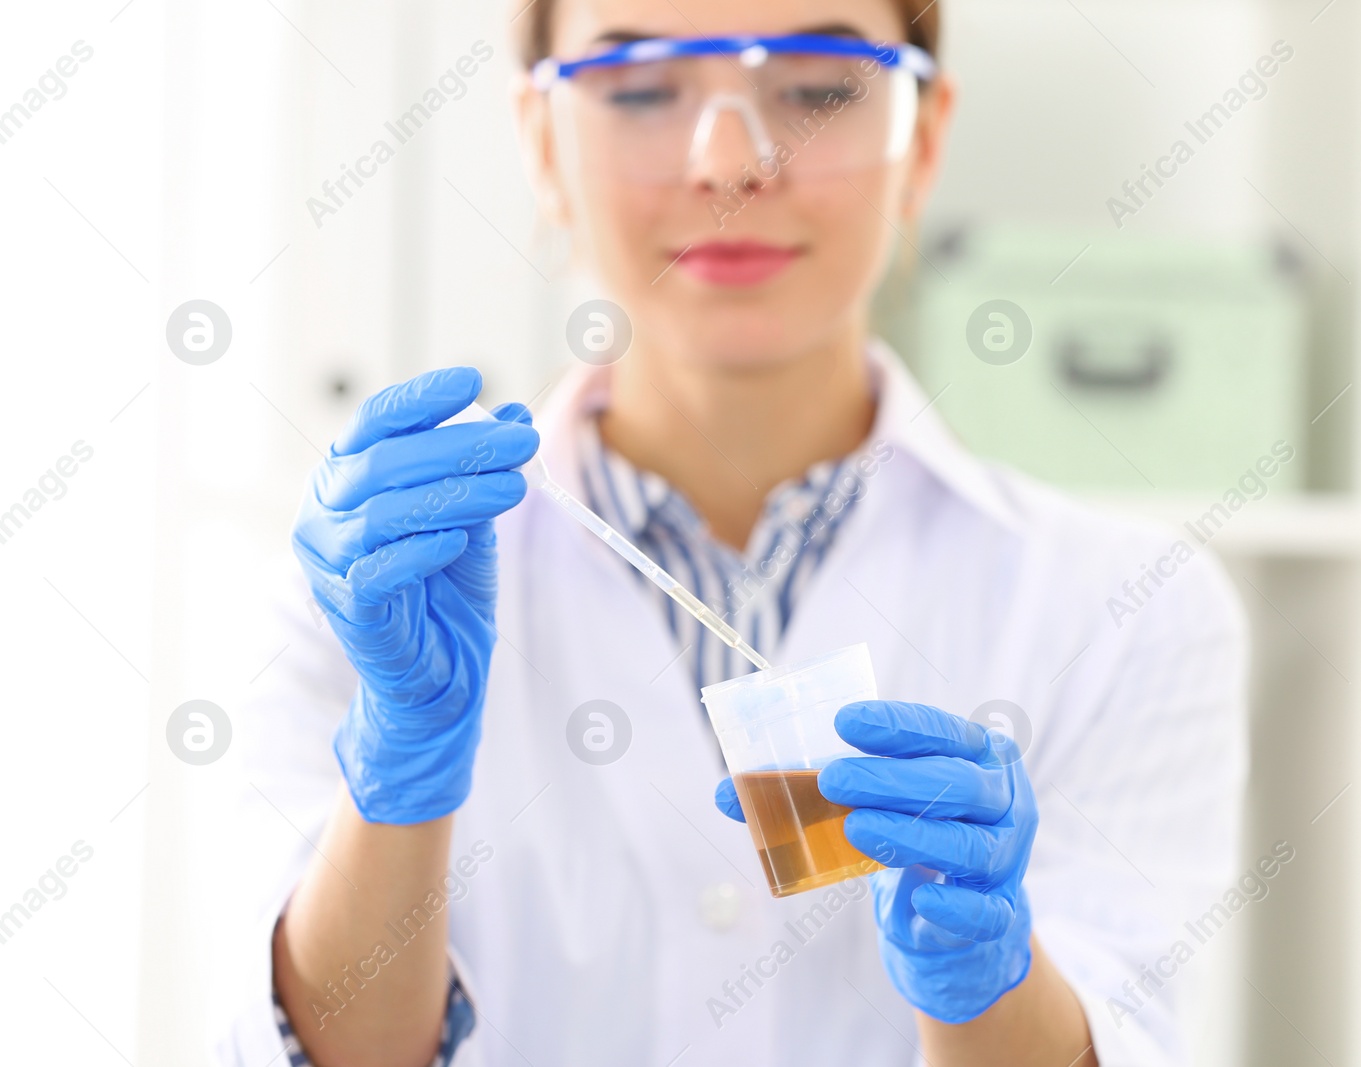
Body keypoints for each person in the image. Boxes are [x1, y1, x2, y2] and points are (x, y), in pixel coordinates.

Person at [221, 1, 1247, 1064]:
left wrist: (990, 988)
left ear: (924, 135)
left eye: (815, 83)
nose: (731, 161)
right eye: (639, 85)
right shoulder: (371, 590)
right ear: (541, 141)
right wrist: (396, 783)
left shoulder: (1133, 608)